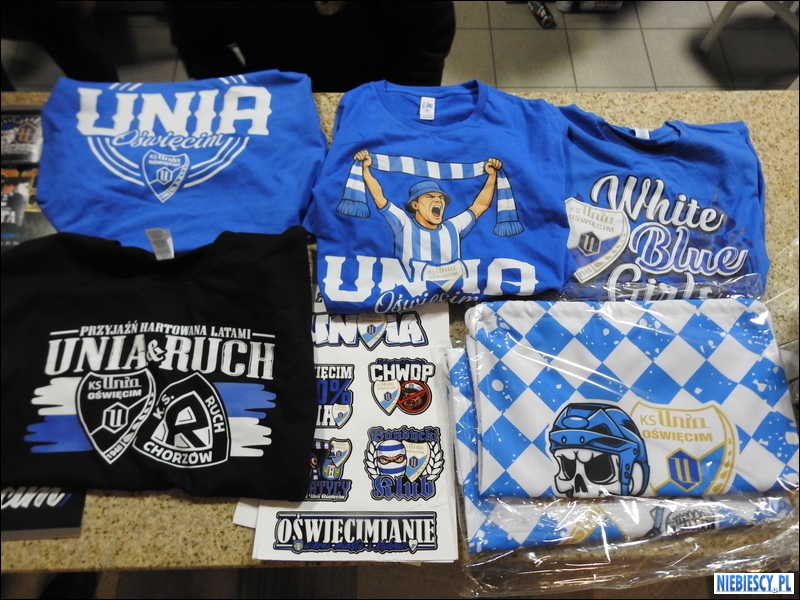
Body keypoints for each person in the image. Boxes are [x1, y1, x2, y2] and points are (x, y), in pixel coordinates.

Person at [164, 1, 456, 92]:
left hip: (379, 84)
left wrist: (402, 111)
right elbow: (197, 40)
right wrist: (244, 98)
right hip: (272, 85)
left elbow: (427, 39)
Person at [355, 149, 502, 273]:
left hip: (452, 291)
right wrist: (366, 170)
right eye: (430, 196)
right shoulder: (404, 223)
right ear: (415, 205)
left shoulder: (453, 227)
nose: (438, 200)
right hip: (409, 292)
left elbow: (479, 206)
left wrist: (492, 176)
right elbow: (379, 198)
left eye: (441, 197)